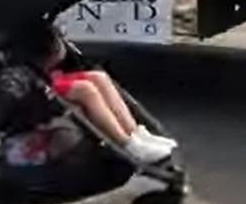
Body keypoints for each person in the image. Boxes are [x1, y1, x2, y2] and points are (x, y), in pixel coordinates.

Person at [39, 24, 177, 165]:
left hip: (51, 75)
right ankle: (127, 144)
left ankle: (134, 132)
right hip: (36, 82)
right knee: (85, 89)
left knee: (99, 77)